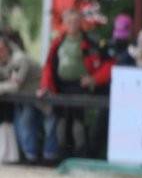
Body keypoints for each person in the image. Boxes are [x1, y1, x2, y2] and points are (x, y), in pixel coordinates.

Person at [39, 8, 113, 159]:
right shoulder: (57, 43)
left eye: (76, 21)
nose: (72, 24)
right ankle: (61, 157)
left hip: (81, 88)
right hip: (61, 87)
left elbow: (109, 64)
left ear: (81, 22)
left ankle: (80, 155)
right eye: (69, 21)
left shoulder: (91, 42)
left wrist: (94, 79)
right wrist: (45, 86)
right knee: (61, 124)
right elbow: (48, 67)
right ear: (64, 23)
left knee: (78, 125)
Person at [0, 35, 44, 163]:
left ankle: (31, 157)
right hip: (22, 98)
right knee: (20, 124)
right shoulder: (4, 61)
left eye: (1, 49)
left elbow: (15, 85)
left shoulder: (19, 59)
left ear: (8, 48)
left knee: (26, 123)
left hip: (38, 98)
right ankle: (24, 155)